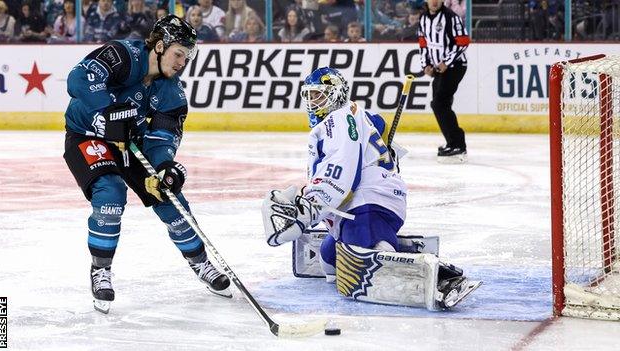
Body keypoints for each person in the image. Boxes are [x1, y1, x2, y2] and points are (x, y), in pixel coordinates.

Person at [261, 67, 480, 310]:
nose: (313, 102)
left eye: (319, 95)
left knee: (372, 258)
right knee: (329, 262)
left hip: (367, 204)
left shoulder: (338, 119)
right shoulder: (361, 114)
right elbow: (385, 142)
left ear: (336, 93)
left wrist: (309, 208)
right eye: (309, 96)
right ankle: (391, 245)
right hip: (371, 200)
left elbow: (342, 169)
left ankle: (439, 276)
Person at [63, 14, 231, 314]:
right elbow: (78, 78)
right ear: (160, 45)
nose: (182, 62)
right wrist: (109, 111)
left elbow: (162, 138)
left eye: (187, 56)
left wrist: (165, 166)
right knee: (111, 192)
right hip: (88, 136)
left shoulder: (172, 92)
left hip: (131, 142)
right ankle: (101, 270)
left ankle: (201, 263)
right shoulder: (123, 54)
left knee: (168, 195)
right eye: (179, 53)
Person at [418, 0, 469, 163]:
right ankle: (452, 142)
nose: (434, 1)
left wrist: (446, 62)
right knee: (439, 104)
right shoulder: (423, 18)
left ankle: (458, 144)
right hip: (439, 68)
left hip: (455, 66)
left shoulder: (450, 17)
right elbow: (423, 43)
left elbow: (463, 42)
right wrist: (425, 64)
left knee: (440, 103)